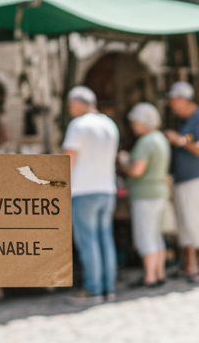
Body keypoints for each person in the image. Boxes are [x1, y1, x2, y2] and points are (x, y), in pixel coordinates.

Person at [63, 85, 121, 300]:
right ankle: (109, 288)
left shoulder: (78, 125)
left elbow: (69, 157)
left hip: (83, 189)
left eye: (71, 105)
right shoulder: (109, 125)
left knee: (88, 241)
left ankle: (93, 289)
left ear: (79, 103)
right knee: (105, 239)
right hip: (106, 188)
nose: (70, 109)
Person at [164, 81, 199, 284]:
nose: (171, 105)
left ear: (182, 99)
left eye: (173, 100)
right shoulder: (185, 120)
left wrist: (180, 141)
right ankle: (190, 267)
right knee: (185, 225)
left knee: (197, 224)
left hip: (196, 179)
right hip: (183, 179)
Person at [121, 102, 170, 288]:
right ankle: (159, 272)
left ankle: (149, 276)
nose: (133, 126)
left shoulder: (145, 142)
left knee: (145, 236)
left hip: (145, 194)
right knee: (156, 235)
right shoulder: (160, 139)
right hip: (159, 191)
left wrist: (124, 163)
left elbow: (136, 170)